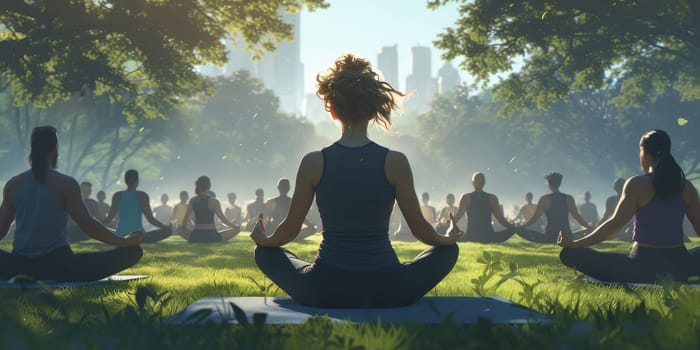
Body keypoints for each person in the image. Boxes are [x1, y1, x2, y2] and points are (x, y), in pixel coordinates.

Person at [252, 54, 460, 308]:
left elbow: (290, 229)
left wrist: (264, 241)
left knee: (265, 254)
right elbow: (421, 231)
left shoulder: (313, 162)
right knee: (449, 252)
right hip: (388, 289)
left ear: (332, 109)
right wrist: (448, 237)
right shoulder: (395, 162)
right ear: (374, 110)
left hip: (325, 289)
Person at [0, 126, 143, 281]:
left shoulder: (14, 184)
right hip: (60, 267)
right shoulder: (65, 183)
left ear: (32, 151)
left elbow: (1, 229)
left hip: (19, 267)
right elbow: (88, 224)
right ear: (54, 149)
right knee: (134, 252)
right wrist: (123, 242)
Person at [559, 129, 700, 283]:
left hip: (642, 268)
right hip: (679, 268)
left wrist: (575, 244)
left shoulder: (637, 184)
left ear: (644, 153)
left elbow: (614, 226)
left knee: (569, 253)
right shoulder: (686, 187)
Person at [517, 173, 592, 243]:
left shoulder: (544, 199)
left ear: (549, 184)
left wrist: (523, 226)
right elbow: (577, 216)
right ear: (559, 183)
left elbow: (535, 218)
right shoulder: (569, 198)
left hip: (550, 234)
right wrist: (588, 227)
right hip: (566, 234)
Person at [102, 170, 172, 243]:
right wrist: (165, 227)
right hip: (139, 236)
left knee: (106, 230)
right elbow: (150, 219)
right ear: (137, 181)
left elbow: (109, 218)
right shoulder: (142, 196)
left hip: (120, 235)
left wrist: (96, 227)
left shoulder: (117, 195)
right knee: (168, 231)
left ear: (125, 181)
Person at [452, 172, 516, 243]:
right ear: (484, 183)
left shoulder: (466, 198)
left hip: (472, 236)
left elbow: (458, 216)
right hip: (488, 236)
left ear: (473, 183)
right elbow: (500, 218)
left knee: (458, 235)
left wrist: (449, 224)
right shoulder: (492, 198)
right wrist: (512, 227)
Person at [177, 176, 241, 243]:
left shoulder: (193, 200)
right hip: (212, 236)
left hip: (196, 236)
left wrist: (182, 228)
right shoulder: (214, 201)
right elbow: (222, 219)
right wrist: (234, 226)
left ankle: (196, 239)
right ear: (209, 187)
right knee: (238, 230)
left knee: (178, 229)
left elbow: (186, 219)